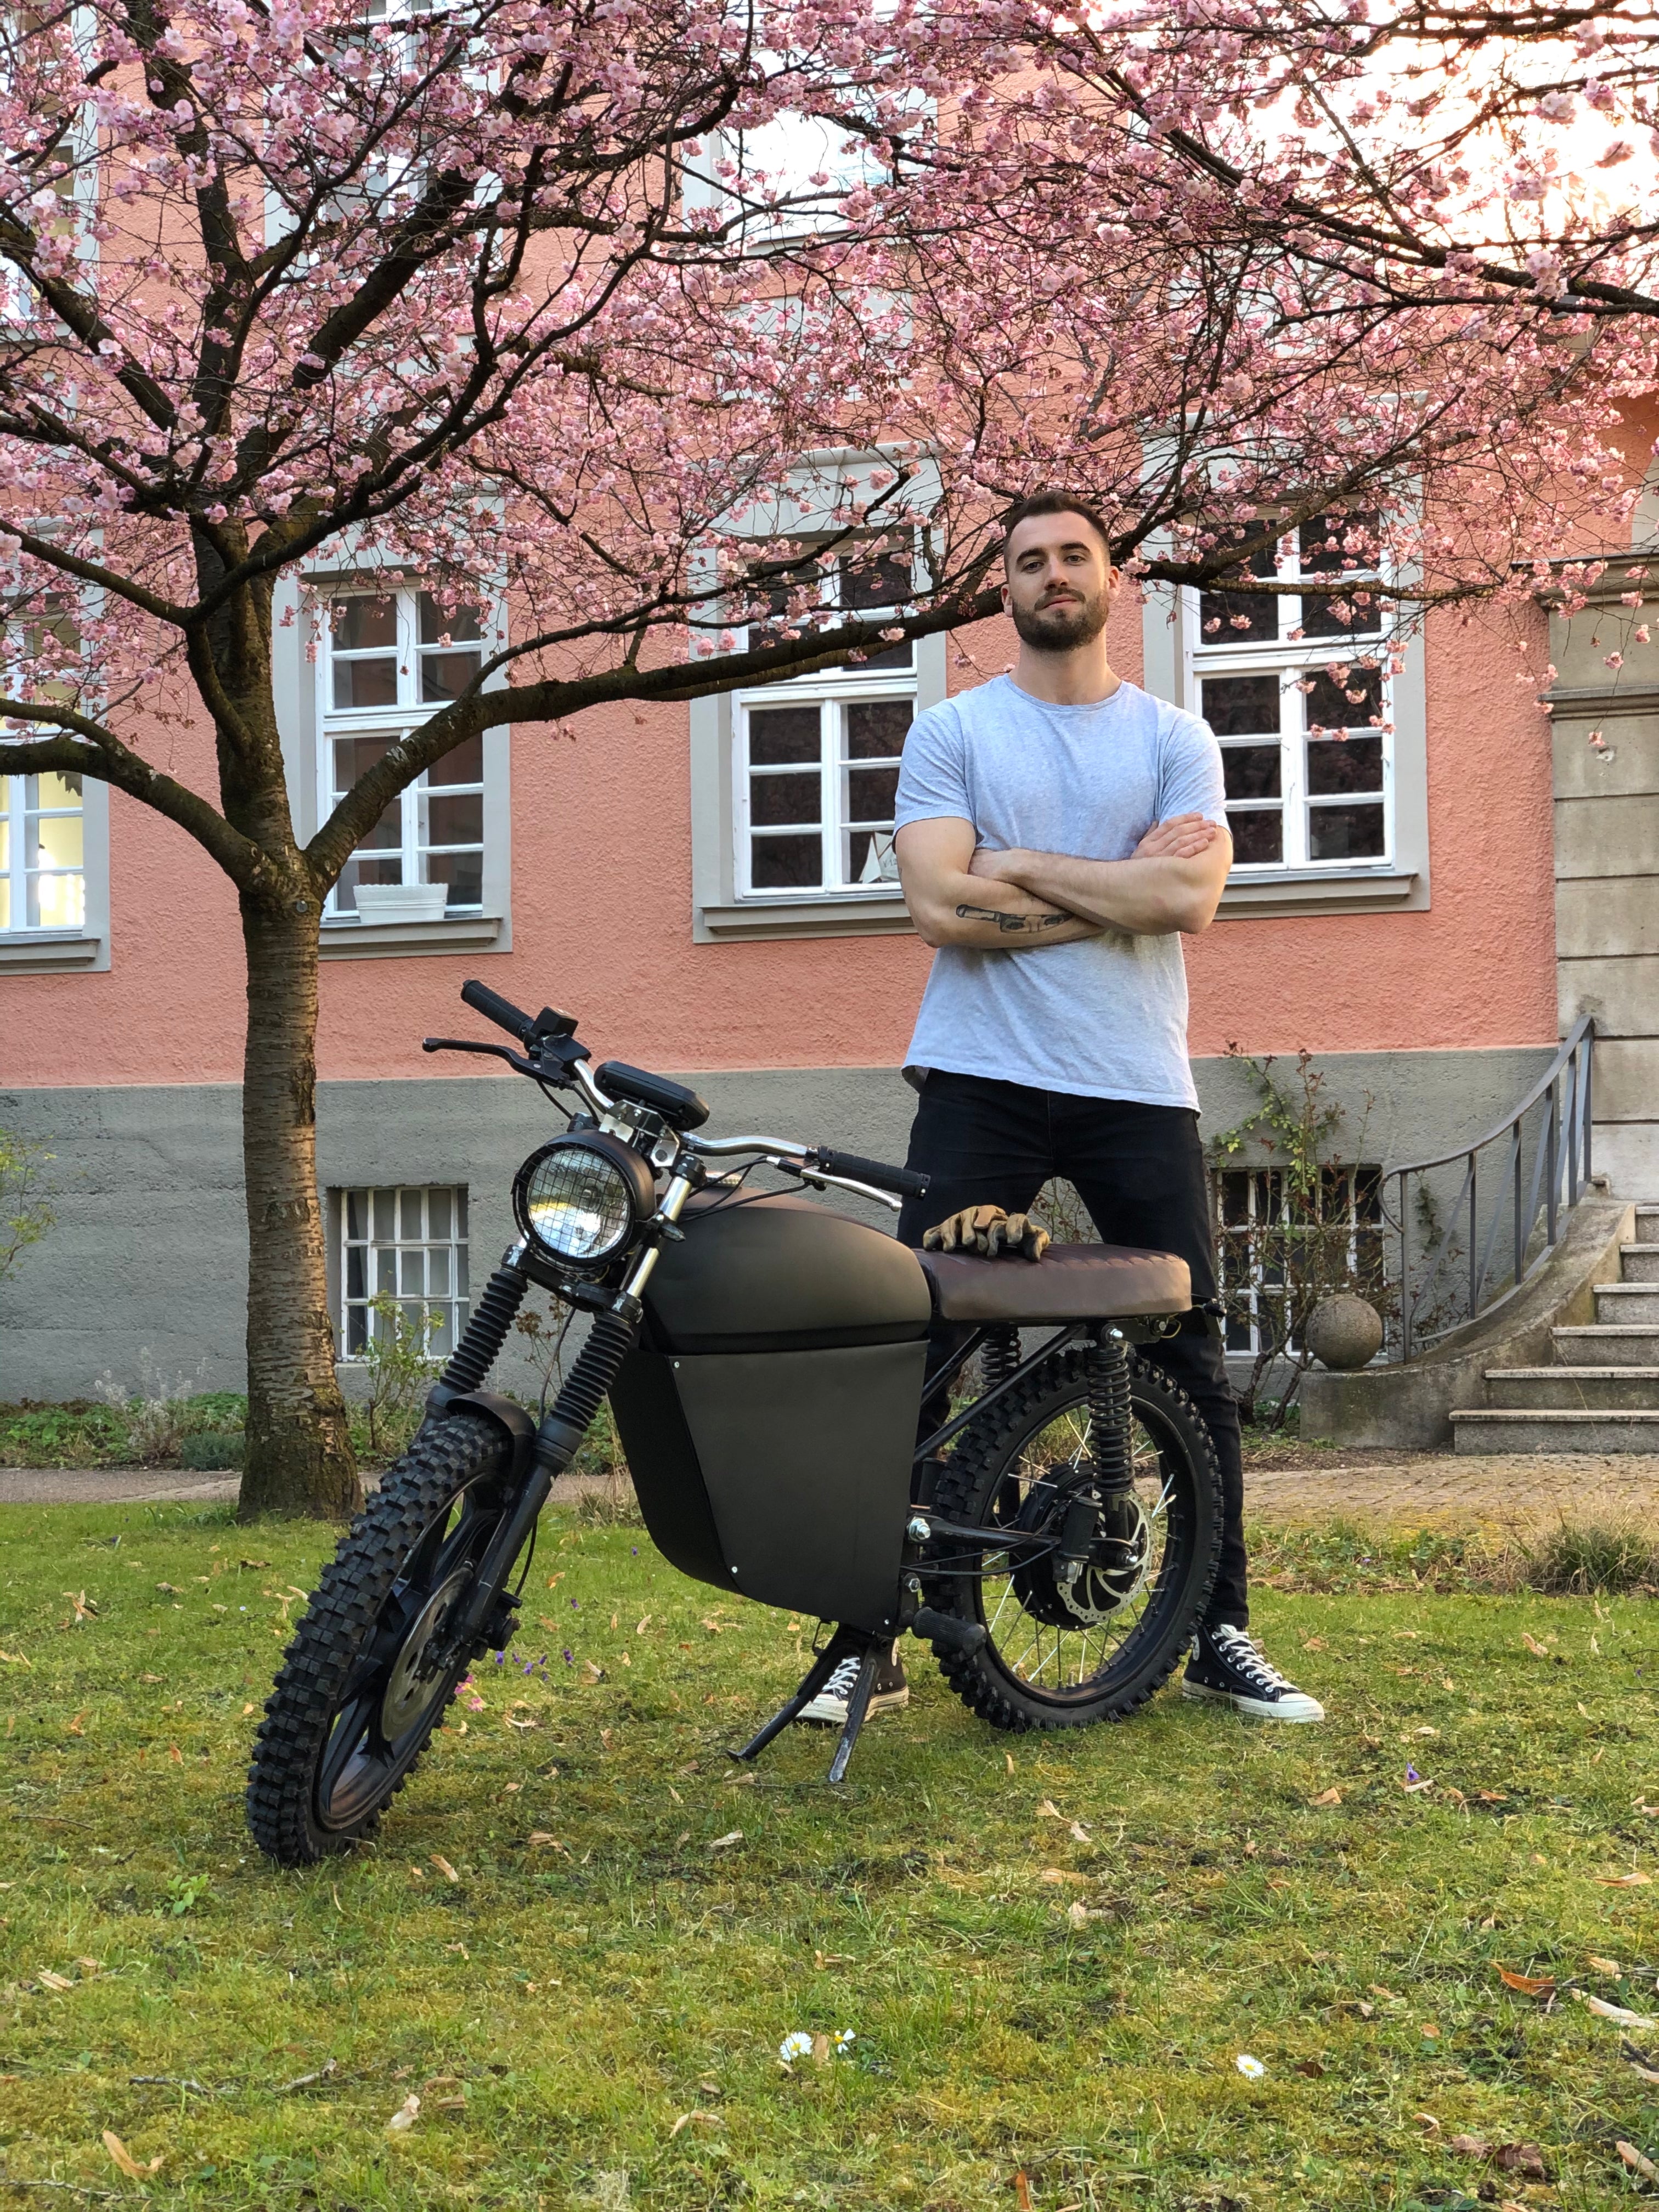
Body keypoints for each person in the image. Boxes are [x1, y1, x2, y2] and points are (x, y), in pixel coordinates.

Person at [800, 489, 1324, 1729]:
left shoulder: (1174, 738)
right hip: (978, 1076)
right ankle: (865, 1641)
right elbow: (940, 908)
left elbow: (1189, 901)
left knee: (1187, 1354)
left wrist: (1022, 864)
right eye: (1029, 560)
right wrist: (1114, 886)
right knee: (918, 1348)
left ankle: (1220, 1630)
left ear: (1110, 579)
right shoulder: (954, 732)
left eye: (1073, 555)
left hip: (1135, 1081)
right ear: (1007, 589)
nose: (1053, 575)